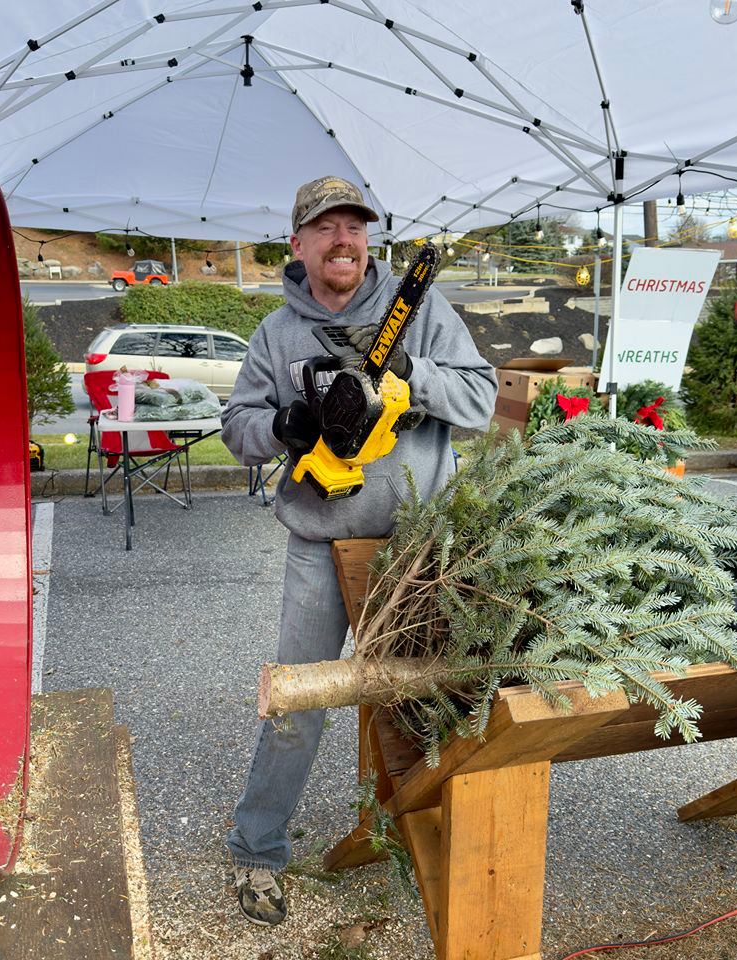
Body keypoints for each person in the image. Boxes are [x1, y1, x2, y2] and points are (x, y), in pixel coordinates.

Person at [220, 175, 498, 926]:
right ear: (298, 243)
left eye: (354, 226)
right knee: (300, 701)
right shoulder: (277, 334)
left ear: (368, 238)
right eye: (325, 227)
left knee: (433, 693)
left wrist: (410, 374)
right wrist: (282, 427)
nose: (342, 239)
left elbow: (480, 398)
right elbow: (237, 427)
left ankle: (426, 827)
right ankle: (256, 848)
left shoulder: (420, 312)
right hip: (319, 541)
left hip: (418, 546)